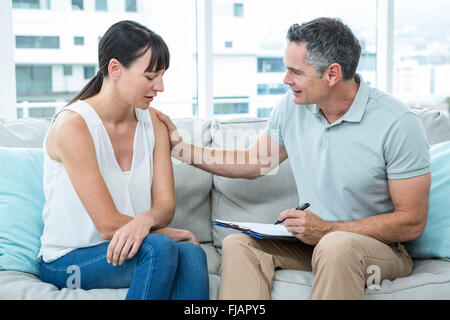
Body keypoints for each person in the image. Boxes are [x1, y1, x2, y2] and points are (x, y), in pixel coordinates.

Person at [156, 17, 431, 300]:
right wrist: (181, 149)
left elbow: (411, 221)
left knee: (336, 245)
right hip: (312, 242)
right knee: (239, 244)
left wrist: (328, 229)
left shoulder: (397, 123)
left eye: (296, 72)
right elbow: (256, 162)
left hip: (377, 249)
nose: (286, 80)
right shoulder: (293, 107)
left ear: (332, 74)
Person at [38, 20, 209, 300]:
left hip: (131, 246)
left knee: (191, 253)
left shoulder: (153, 122)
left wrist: (146, 221)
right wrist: (165, 232)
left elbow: (165, 206)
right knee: (160, 248)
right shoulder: (73, 126)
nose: (161, 86)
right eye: (151, 76)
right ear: (115, 69)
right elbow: (107, 224)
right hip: (67, 261)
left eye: (162, 75)